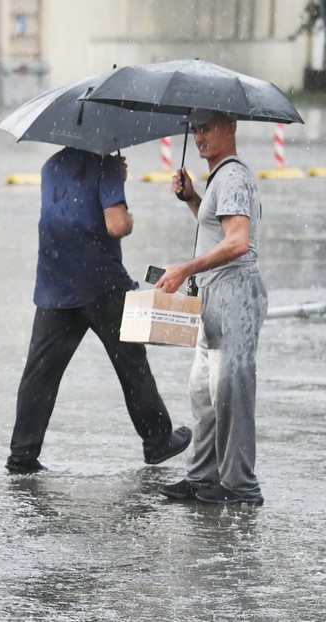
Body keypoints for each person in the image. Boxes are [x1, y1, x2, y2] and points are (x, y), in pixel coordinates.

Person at [6, 146, 192, 474]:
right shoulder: (106, 165)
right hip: (100, 282)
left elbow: (61, 215)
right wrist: (121, 194)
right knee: (131, 363)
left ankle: (22, 454)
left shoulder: (50, 165)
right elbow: (116, 225)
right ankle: (158, 440)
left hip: (54, 280)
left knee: (41, 372)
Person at [156, 110, 268, 505]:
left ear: (231, 127)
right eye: (196, 129)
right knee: (204, 392)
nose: (200, 136)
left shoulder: (234, 175)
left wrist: (186, 267)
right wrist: (192, 200)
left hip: (234, 295)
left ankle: (240, 487)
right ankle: (203, 477)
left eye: (208, 128)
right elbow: (220, 230)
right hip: (215, 296)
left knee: (230, 394)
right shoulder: (220, 176)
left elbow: (238, 241)